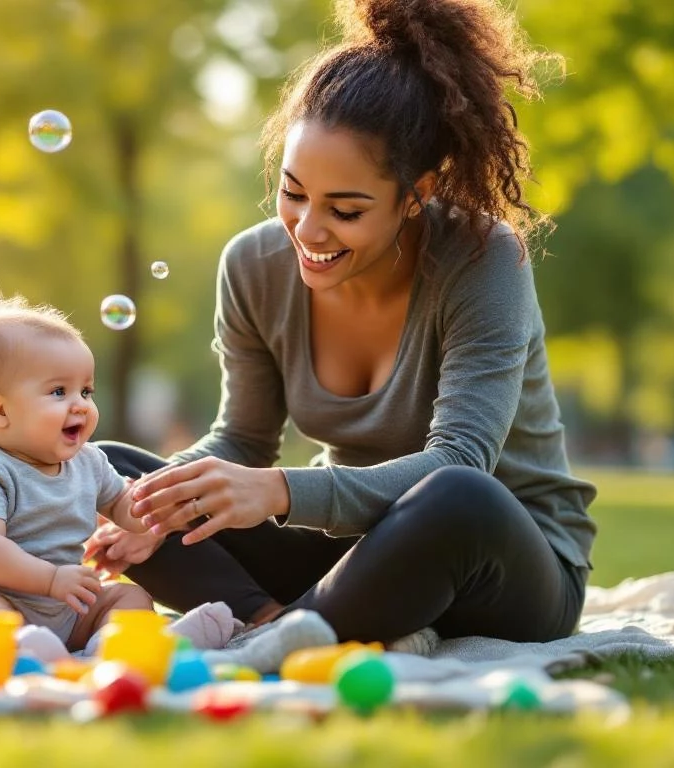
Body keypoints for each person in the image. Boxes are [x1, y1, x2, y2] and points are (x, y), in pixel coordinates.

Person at [84, 0, 598, 650]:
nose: (308, 230)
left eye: (345, 210)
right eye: (293, 193)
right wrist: (154, 508)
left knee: (458, 493)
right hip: (353, 554)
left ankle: (308, 625)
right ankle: (275, 624)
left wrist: (277, 492)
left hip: (499, 564)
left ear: (419, 194)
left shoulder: (483, 257)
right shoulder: (252, 265)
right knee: (109, 471)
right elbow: (242, 439)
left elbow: (461, 457)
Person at [0, 296, 154, 652]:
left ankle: (103, 648)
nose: (80, 404)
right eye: (59, 391)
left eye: (86, 391)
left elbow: (121, 505)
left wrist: (148, 506)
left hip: (61, 608)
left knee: (132, 599)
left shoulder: (89, 461)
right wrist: (52, 578)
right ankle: (19, 647)